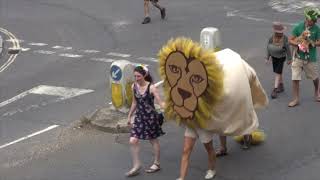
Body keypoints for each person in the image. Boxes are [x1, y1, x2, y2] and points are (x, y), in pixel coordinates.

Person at [125, 65, 165, 177]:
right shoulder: (134, 87)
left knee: (153, 140)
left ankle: (157, 163)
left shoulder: (151, 88)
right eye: (135, 76)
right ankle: (137, 165)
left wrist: (168, 107)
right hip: (139, 117)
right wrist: (129, 116)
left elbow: (160, 102)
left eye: (138, 76)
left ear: (144, 76)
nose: (136, 78)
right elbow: (134, 102)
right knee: (133, 140)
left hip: (151, 118)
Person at [288, 7, 320, 107]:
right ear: (306, 18)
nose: (315, 21)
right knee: (295, 78)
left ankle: (316, 91)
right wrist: (298, 44)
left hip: (310, 58)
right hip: (297, 57)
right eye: (313, 20)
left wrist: (311, 43)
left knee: (315, 78)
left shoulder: (317, 29)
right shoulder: (298, 27)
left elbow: (319, 42)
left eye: (316, 20)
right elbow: (290, 40)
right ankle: (296, 99)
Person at [266, 22, 292, 99]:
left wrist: (289, 59)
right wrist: (267, 57)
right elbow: (268, 48)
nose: (281, 33)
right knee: (278, 72)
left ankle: (275, 89)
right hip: (274, 57)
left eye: (281, 32)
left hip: (281, 57)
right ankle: (281, 85)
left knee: (277, 72)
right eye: (279, 32)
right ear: (275, 32)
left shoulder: (285, 38)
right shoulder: (271, 38)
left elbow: (288, 49)